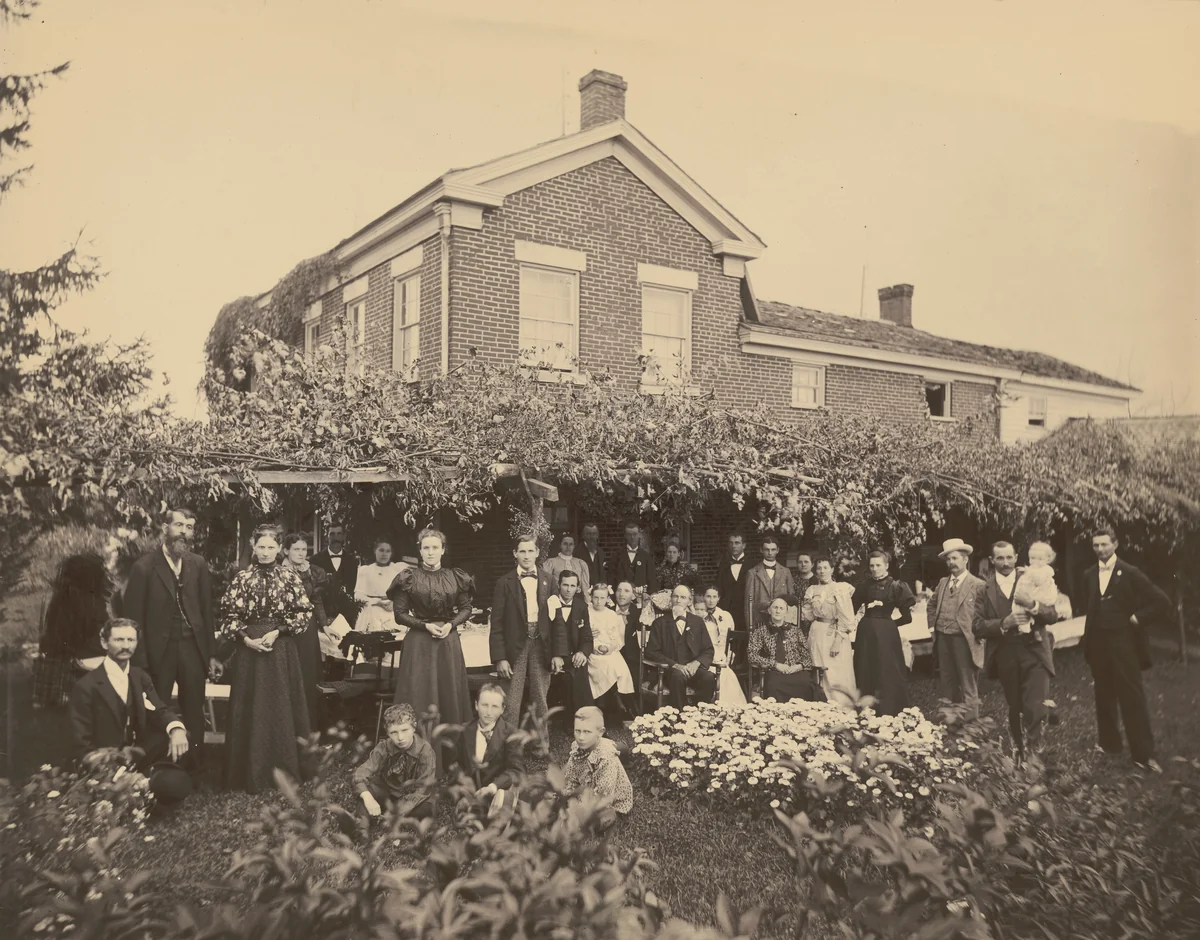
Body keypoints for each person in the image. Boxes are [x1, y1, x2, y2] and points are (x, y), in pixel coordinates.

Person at [124, 506, 220, 775]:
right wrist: (140, 662)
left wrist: (210, 654)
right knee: (156, 709)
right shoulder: (144, 568)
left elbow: (205, 610)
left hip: (192, 649)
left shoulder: (197, 564)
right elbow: (133, 619)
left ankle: (193, 768)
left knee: (194, 710)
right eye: (179, 525)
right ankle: (156, 766)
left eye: (189, 527)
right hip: (158, 653)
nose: (185, 532)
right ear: (164, 528)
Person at [219, 524, 314, 793]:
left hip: (280, 649)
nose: (265, 552)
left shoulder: (290, 578)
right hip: (250, 652)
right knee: (251, 708)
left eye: (271, 547)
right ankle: (249, 772)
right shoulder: (242, 578)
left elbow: (303, 613)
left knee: (282, 706)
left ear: (279, 548)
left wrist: (277, 632)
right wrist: (246, 639)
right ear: (253, 546)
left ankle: (285, 771)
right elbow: (229, 616)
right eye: (261, 546)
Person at [70, 618, 193, 804]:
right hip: (105, 761)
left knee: (179, 755)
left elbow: (159, 710)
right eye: (119, 640)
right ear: (104, 642)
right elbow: (82, 746)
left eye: (131, 640)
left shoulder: (139, 676)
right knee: (165, 786)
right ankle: (131, 790)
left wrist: (176, 729)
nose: (125, 646)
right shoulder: (87, 686)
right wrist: (115, 772)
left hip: (136, 755)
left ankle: (144, 787)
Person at [1080, 527, 1171, 773]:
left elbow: (1161, 601)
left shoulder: (1130, 572)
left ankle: (1144, 755)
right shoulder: (1089, 574)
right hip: (1099, 645)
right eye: (1096, 545)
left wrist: (1137, 618)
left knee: (1132, 697)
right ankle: (1109, 745)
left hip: (1124, 645)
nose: (1100, 549)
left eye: (1104, 544)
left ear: (1115, 544)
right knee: (1103, 695)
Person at [974, 541, 1060, 759]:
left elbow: (1052, 615)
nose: (1005, 563)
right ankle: (1018, 750)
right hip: (1005, 653)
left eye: (1009, 557)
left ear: (1015, 557)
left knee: (1036, 704)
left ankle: (1034, 754)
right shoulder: (984, 589)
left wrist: (1032, 605)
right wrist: (1004, 623)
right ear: (992, 561)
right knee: (1015, 705)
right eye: (1000, 558)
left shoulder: (1033, 577)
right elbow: (977, 625)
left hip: (1034, 650)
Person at [386, 529, 474, 741]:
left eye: (435, 547)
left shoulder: (456, 577)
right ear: (420, 550)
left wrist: (451, 624)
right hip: (420, 644)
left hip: (447, 641)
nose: (431, 552)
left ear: (443, 550)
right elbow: (399, 614)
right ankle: (417, 750)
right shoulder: (408, 577)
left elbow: (466, 608)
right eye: (426, 548)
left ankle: (451, 751)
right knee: (419, 693)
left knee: (448, 693)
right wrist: (424, 626)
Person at [490, 534, 566, 729]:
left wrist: (558, 653)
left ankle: (540, 747)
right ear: (515, 553)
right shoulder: (504, 582)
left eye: (530, 550)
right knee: (511, 700)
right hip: (515, 645)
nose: (526, 555)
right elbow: (496, 624)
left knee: (540, 698)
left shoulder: (549, 581)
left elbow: (557, 620)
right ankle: (509, 748)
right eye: (522, 551)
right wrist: (500, 657)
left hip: (542, 644)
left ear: (538, 553)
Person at [34, 553, 111, 709]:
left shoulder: (60, 598)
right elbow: (97, 635)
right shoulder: (92, 602)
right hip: (81, 656)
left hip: (63, 654)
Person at [354, 703, 436, 836]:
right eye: (394, 732)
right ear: (387, 732)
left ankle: (393, 818)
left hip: (411, 797)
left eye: (405, 730)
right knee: (365, 793)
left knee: (429, 807)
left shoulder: (425, 751)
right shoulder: (384, 747)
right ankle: (362, 831)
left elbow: (423, 788)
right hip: (387, 791)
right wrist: (368, 798)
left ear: (414, 727)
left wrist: (400, 809)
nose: (400, 738)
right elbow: (361, 773)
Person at [927, 538, 986, 719]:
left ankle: (971, 725)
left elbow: (985, 614)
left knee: (967, 683)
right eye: (948, 560)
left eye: (955, 558)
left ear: (965, 559)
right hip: (943, 639)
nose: (951, 563)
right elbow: (931, 605)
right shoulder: (943, 582)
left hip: (964, 640)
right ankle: (950, 723)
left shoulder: (977, 584)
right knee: (947, 681)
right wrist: (932, 628)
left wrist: (979, 634)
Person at [852, 550, 916, 716]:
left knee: (887, 669)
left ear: (886, 566)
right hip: (865, 633)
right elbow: (850, 610)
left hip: (887, 635)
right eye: (872, 565)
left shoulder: (897, 586)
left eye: (878, 565)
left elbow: (907, 618)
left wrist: (888, 624)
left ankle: (890, 708)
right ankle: (866, 708)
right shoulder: (863, 586)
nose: (874, 569)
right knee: (865, 668)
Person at [452, 683, 526, 813]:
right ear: (476, 705)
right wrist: (464, 784)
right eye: (484, 705)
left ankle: (491, 806)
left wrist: (492, 787)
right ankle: (478, 805)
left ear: (502, 709)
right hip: (472, 788)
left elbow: (516, 770)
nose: (488, 712)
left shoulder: (511, 733)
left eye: (495, 706)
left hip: (498, 788)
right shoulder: (465, 730)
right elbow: (457, 764)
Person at [281, 532, 328, 730]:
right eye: (296, 549)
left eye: (304, 550)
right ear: (285, 551)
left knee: (308, 675)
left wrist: (325, 626)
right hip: (285, 628)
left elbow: (316, 601)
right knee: (287, 675)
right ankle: (286, 727)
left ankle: (308, 728)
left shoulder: (312, 572)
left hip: (307, 629)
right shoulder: (279, 571)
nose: (301, 554)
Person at [644, 585, 716, 707]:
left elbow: (708, 649)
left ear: (689, 601)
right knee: (678, 676)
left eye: (683, 597)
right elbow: (652, 652)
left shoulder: (697, 622)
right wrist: (676, 665)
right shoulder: (659, 623)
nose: (678, 600)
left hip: (692, 669)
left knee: (709, 677)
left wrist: (696, 663)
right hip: (669, 670)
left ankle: (698, 711)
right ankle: (679, 716)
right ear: (671, 599)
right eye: (675, 596)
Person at [802, 554, 857, 706]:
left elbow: (847, 618)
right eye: (819, 568)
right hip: (816, 632)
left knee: (835, 671)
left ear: (832, 570)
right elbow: (807, 615)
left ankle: (841, 706)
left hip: (834, 634)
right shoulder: (812, 589)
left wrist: (838, 641)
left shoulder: (840, 588)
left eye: (825, 567)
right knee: (818, 669)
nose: (822, 571)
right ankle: (822, 704)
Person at [563, 706, 633, 819]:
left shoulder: (606, 757)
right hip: (587, 792)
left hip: (607, 800)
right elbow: (571, 777)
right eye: (577, 731)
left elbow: (603, 796)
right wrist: (565, 795)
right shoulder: (577, 748)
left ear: (600, 732)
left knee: (596, 821)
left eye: (587, 732)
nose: (581, 737)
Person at [748, 598, 821, 702]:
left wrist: (798, 666)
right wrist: (775, 664)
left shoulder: (796, 631)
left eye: (781, 608)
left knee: (808, 685)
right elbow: (752, 655)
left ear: (786, 612)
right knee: (774, 685)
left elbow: (807, 656)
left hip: (795, 671)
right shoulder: (760, 632)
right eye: (775, 607)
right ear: (769, 610)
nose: (778, 611)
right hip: (774, 671)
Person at [549, 569, 594, 721]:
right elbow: (545, 636)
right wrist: (556, 655)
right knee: (571, 674)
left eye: (572, 586)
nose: (569, 589)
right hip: (553, 655)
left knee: (580, 666)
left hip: (574, 655)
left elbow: (587, 637)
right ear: (559, 585)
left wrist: (582, 652)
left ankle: (585, 719)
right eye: (565, 585)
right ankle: (572, 720)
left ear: (578, 587)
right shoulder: (550, 603)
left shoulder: (581, 607)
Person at [584, 583, 636, 716]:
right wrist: (592, 645)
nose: (598, 601)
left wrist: (609, 648)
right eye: (596, 598)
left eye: (602, 598)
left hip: (610, 650)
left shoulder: (613, 615)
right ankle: (605, 701)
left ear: (607, 598)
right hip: (591, 651)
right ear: (591, 597)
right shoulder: (586, 612)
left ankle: (619, 699)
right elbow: (579, 634)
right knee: (605, 665)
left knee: (620, 668)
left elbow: (618, 640)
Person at [699, 586, 746, 706]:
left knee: (725, 673)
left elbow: (729, 639)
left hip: (720, 652)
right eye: (708, 596)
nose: (711, 600)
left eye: (714, 597)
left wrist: (725, 654)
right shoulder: (698, 612)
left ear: (718, 599)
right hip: (702, 652)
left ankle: (725, 706)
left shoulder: (725, 615)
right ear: (703, 597)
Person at [353, 536, 408, 637]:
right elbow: (358, 595)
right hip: (372, 612)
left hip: (393, 612)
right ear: (375, 551)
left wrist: (394, 603)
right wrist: (377, 602)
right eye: (381, 550)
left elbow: (405, 593)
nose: (384, 554)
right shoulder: (366, 571)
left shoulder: (397, 570)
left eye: (388, 551)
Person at [745, 535, 797, 631]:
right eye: (766, 549)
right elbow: (748, 604)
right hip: (759, 622)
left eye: (773, 550)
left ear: (777, 550)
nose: (770, 553)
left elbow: (791, 600)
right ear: (761, 550)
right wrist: (750, 628)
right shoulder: (752, 573)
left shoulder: (785, 572)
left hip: (782, 622)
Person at [310, 522, 359, 598]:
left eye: (339, 534)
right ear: (327, 536)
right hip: (323, 606)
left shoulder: (352, 560)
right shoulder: (315, 560)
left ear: (343, 536)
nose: (335, 538)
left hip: (347, 606)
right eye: (332, 534)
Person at [610, 521, 658, 597]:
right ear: (625, 536)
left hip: (641, 598)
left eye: (635, 534)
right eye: (629, 535)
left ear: (639, 535)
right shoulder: (617, 555)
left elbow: (651, 580)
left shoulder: (646, 557)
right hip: (621, 597)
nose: (632, 537)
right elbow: (611, 579)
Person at [716, 533, 751, 631]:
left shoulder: (752, 564)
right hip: (728, 610)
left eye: (737, 543)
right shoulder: (723, 564)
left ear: (744, 545)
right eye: (731, 543)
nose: (733, 546)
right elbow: (719, 587)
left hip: (745, 611)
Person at [579, 523, 608, 589]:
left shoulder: (600, 552)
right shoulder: (577, 552)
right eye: (588, 534)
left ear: (597, 536)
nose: (591, 537)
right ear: (583, 535)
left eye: (594, 534)